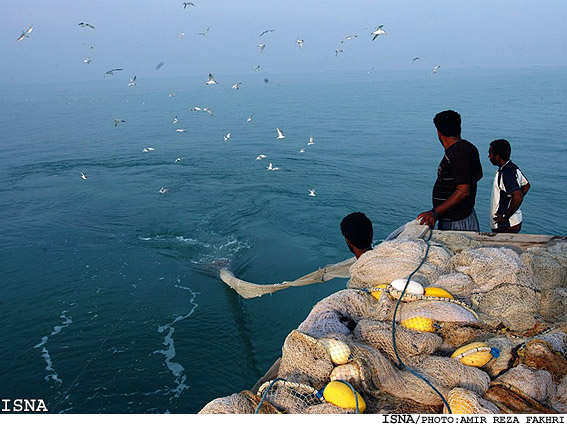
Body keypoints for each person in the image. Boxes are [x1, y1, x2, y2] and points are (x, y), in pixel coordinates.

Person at [418, 110, 483, 231]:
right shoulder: (468, 147)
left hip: (457, 222)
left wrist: (434, 213)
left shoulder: (457, 154)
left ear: (439, 132)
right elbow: (478, 175)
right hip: (462, 217)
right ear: (459, 128)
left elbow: (463, 191)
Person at [488, 139, 530, 233]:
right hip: (514, 220)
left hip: (507, 224)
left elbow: (518, 197)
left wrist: (505, 216)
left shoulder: (506, 174)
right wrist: (511, 201)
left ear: (497, 157)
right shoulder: (512, 167)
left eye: (490, 154)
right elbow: (526, 185)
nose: (489, 157)